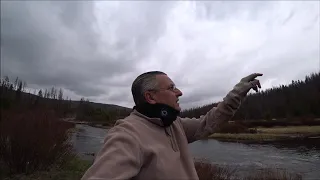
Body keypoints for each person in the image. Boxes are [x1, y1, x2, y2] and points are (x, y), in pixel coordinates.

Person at [81, 71, 263, 180]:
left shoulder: (175, 124)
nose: (179, 92)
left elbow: (208, 122)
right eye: (171, 88)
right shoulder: (127, 135)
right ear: (150, 97)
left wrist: (237, 93)